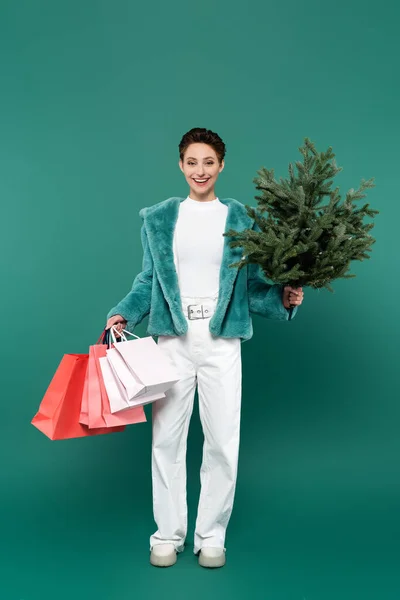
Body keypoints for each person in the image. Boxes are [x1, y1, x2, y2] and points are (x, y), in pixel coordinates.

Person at [105, 127, 304, 569]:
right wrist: (123, 313)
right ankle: (167, 535)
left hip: (221, 341)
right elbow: (148, 282)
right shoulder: (158, 219)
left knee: (222, 441)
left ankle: (211, 536)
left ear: (221, 165)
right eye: (192, 162)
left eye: (208, 162)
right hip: (172, 339)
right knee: (166, 441)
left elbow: (250, 287)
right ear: (180, 165)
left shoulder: (240, 218)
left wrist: (282, 298)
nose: (200, 170)